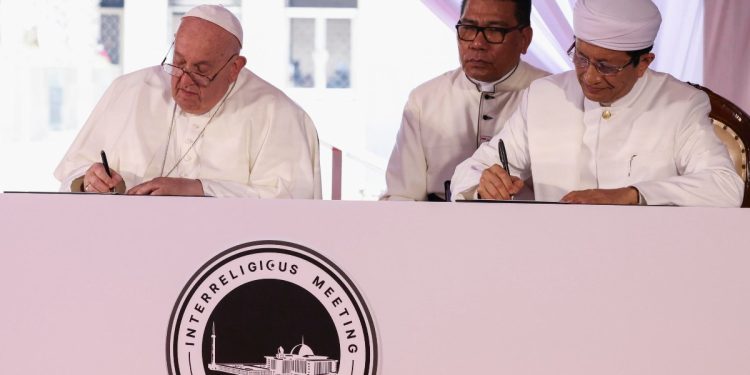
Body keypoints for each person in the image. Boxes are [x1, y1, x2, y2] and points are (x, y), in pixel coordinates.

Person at [450, 0, 743, 207]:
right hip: (553, 255)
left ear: (643, 63)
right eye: (581, 58)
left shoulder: (680, 104)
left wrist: (632, 195)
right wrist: (484, 184)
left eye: (606, 66)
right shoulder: (545, 95)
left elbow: (724, 187)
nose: (589, 77)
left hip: (648, 257)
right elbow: (470, 172)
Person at [54, 5, 321, 198]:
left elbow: (291, 206)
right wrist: (88, 181)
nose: (184, 81)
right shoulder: (129, 91)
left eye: (202, 71)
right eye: (179, 63)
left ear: (234, 68)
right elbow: (71, 177)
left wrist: (198, 189)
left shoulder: (280, 115)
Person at [380, 0, 548, 201]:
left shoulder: (551, 97)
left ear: (524, 39)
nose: (477, 43)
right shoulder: (424, 100)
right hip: (436, 226)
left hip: (527, 226)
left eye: (494, 30)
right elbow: (402, 196)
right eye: (468, 28)